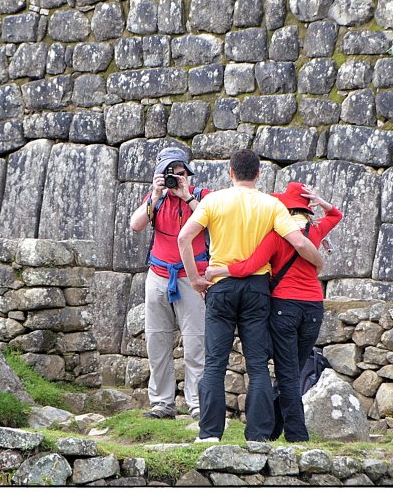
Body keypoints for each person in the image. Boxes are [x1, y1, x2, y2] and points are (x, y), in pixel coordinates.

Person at [177, 150, 324, 442]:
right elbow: (298, 241)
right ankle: (257, 435)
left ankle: (209, 433)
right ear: (259, 174)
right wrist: (318, 262)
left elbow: (184, 237)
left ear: (230, 173)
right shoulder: (271, 205)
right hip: (257, 289)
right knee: (257, 365)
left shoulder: (213, 200)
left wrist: (195, 279)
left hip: (220, 286)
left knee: (215, 362)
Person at [206, 182, 342, 442]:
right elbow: (336, 215)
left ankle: (297, 436)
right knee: (293, 372)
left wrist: (217, 271)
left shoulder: (277, 236)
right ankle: (274, 430)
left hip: (285, 308)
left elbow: (250, 266)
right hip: (314, 308)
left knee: (288, 375)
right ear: (305, 209)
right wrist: (320, 200)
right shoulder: (316, 230)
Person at [129, 147, 210, 420]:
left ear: (188, 172)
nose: (174, 177)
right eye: (169, 173)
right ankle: (162, 403)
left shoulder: (201, 196)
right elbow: (136, 224)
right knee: (157, 340)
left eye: (179, 171)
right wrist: (155, 196)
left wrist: (186, 196)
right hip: (159, 275)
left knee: (196, 341)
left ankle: (197, 404)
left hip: (193, 277)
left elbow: (212, 223)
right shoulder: (157, 199)